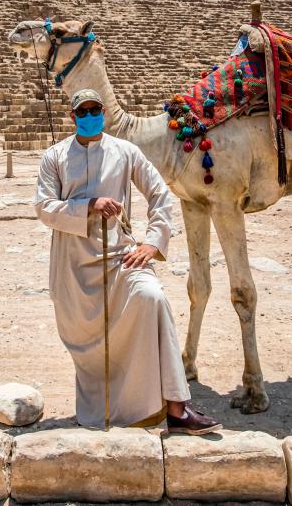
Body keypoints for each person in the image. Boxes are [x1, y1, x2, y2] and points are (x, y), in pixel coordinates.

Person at [34, 88, 220, 434]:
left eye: (95, 110)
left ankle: (178, 410)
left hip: (121, 258)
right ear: (72, 116)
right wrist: (87, 205)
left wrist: (152, 242)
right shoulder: (55, 157)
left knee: (154, 298)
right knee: (92, 345)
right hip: (73, 266)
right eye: (83, 111)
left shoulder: (125, 151)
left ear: (103, 112)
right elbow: (44, 207)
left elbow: (160, 193)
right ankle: (103, 415)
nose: (90, 116)